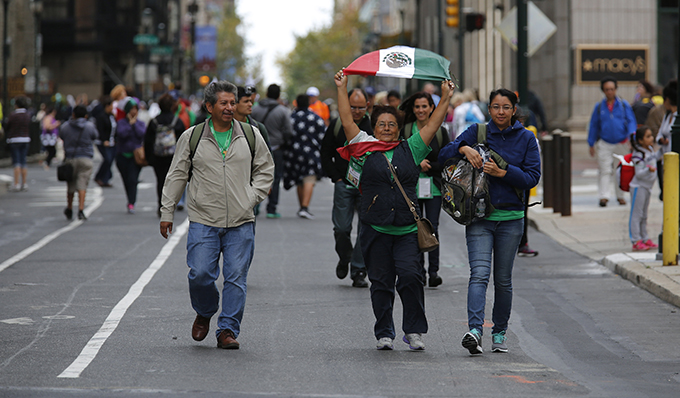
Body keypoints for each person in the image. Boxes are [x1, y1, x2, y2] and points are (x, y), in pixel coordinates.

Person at [334, 69, 454, 351]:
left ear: (399, 129)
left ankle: (414, 331)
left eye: (392, 124)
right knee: (381, 282)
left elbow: (433, 125)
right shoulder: (363, 146)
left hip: (407, 230)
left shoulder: (411, 148)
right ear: (373, 127)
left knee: (411, 277)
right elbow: (346, 119)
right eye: (381, 124)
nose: (386, 128)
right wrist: (342, 88)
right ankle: (384, 332)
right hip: (375, 229)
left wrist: (446, 96)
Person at [159, 81, 274, 350]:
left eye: (233, 102)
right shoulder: (192, 137)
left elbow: (266, 169)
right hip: (203, 220)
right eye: (223, 103)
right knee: (200, 274)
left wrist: (251, 197)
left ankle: (227, 330)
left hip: (241, 220)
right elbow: (177, 174)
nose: (230, 107)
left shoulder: (250, 134)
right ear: (209, 106)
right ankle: (205, 310)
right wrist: (167, 211)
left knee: (236, 278)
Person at [438, 88, 540, 355]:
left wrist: (503, 173)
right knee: (479, 275)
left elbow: (532, 178)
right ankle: (474, 331)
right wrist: (464, 147)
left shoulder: (527, 138)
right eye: (495, 107)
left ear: (514, 110)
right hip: (479, 217)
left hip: (511, 219)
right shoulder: (478, 132)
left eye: (506, 107)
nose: (501, 112)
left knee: (503, 280)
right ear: (489, 109)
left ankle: (499, 332)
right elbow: (443, 154)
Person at [320, 88, 372, 288]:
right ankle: (345, 257)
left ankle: (359, 270)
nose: (356, 111)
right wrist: (336, 177)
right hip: (344, 183)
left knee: (364, 229)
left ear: (367, 106)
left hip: (366, 187)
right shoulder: (337, 125)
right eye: (352, 107)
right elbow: (325, 152)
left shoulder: (373, 126)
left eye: (360, 107)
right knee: (341, 228)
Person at [399, 91, 451, 287]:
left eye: (424, 106)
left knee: (432, 228)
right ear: (413, 109)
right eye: (417, 107)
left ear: (431, 108)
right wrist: (416, 163)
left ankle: (434, 272)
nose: (421, 110)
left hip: (434, 188)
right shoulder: (405, 130)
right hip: (409, 188)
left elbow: (447, 160)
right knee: (414, 229)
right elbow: (398, 157)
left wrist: (430, 166)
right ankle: (418, 271)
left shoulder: (440, 131)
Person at [588, 76, 636, 207]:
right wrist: (591, 143)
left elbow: (631, 122)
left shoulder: (623, 105)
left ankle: (620, 196)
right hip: (605, 142)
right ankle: (604, 196)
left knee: (619, 170)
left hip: (622, 142)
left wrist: (632, 138)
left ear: (616, 89)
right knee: (604, 170)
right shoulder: (599, 107)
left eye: (612, 89)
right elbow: (594, 125)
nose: (609, 92)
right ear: (603, 91)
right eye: (607, 89)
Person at [252, 84, 293, 219]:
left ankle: (255, 204)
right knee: (274, 178)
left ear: (267, 93)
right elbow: (288, 130)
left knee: (255, 175)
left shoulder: (255, 109)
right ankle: (272, 208)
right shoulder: (282, 111)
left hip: (257, 147)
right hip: (276, 148)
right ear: (279, 95)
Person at [144, 93, 186, 217]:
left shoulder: (154, 122)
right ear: (172, 106)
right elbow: (183, 140)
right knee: (173, 181)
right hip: (174, 157)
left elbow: (148, 141)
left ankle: (161, 205)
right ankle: (171, 205)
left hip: (158, 157)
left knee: (160, 181)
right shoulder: (177, 121)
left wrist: (149, 158)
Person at [284, 94, 326, 219]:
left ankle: (302, 206)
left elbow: (286, 134)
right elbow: (322, 137)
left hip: (294, 153)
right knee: (309, 178)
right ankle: (304, 207)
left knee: (299, 180)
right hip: (311, 153)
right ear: (308, 103)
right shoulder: (316, 118)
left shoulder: (291, 118)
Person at [59, 105, 98, 221]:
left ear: (73, 114)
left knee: (70, 184)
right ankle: (81, 209)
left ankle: (70, 208)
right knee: (82, 184)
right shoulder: (90, 126)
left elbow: (62, 136)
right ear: (86, 115)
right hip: (86, 158)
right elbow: (95, 136)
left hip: (70, 158)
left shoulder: (65, 126)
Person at [628, 126, 659, 251]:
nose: (651, 138)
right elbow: (639, 173)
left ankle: (644, 238)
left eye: (651, 135)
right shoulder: (638, 154)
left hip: (647, 187)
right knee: (637, 214)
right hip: (638, 187)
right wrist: (648, 169)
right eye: (648, 136)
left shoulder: (650, 150)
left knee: (644, 214)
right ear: (640, 141)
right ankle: (636, 240)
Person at [115, 98, 147, 214]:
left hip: (136, 156)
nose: (134, 112)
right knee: (126, 180)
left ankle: (131, 202)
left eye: (135, 109)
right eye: (131, 109)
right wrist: (129, 125)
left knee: (133, 179)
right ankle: (129, 199)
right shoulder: (121, 123)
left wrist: (134, 125)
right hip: (122, 155)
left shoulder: (140, 123)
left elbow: (142, 134)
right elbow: (121, 134)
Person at [655, 80, 677, 199]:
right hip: (664, 159)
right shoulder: (667, 116)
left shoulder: (676, 117)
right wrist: (661, 140)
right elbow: (659, 134)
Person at [5, 96, 32, 191]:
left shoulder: (13, 115)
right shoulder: (27, 115)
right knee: (23, 161)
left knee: (16, 162)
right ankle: (24, 183)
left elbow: (8, 126)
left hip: (14, 139)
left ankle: (16, 183)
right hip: (25, 139)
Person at [94, 96, 117, 187]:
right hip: (103, 142)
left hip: (112, 142)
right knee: (107, 159)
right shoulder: (101, 116)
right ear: (107, 106)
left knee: (110, 160)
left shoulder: (112, 116)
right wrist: (104, 140)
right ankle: (99, 176)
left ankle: (105, 179)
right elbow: (100, 130)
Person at [40, 106, 61, 170]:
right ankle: (47, 162)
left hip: (51, 137)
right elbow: (47, 127)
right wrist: (55, 125)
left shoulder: (50, 117)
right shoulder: (48, 118)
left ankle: (47, 162)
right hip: (49, 137)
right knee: (51, 151)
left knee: (51, 151)